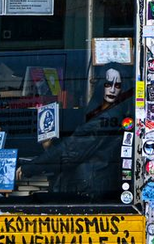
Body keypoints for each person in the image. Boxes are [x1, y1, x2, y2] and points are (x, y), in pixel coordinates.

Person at [17, 65, 133, 200]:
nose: (112, 89)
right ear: (101, 85)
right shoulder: (105, 111)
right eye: (108, 84)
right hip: (94, 186)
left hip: (90, 189)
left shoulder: (109, 117)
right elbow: (78, 146)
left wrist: (30, 167)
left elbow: (73, 150)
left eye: (117, 86)